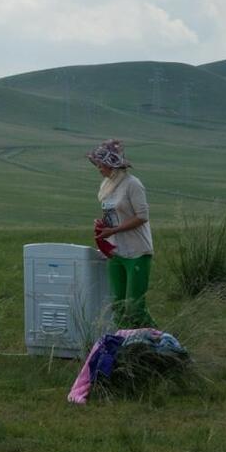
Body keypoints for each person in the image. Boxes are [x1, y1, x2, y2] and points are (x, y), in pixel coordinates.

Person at [87, 139, 156, 329]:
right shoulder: (106, 186)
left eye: (100, 164)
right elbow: (112, 213)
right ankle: (123, 344)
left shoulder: (132, 184)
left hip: (137, 252)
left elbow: (142, 217)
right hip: (115, 251)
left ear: (111, 164)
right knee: (117, 305)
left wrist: (114, 229)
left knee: (134, 307)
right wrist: (103, 226)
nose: (98, 168)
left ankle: (156, 341)